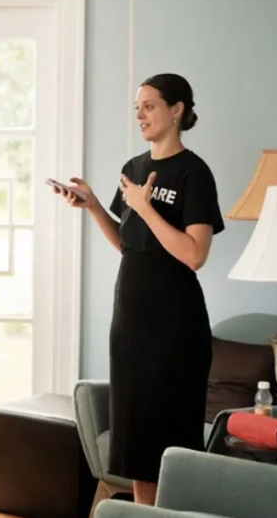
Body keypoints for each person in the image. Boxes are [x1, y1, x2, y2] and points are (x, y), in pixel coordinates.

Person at [53, 73, 224, 506]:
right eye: (137, 108)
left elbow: (194, 254)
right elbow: (127, 242)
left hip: (175, 326)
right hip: (130, 320)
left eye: (149, 106)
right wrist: (92, 205)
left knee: (170, 437)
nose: (140, 115)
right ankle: (145, 516)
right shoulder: (133, 170)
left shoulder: (194, 173)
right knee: (137, 442)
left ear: (177, 110)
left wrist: (146, 209)